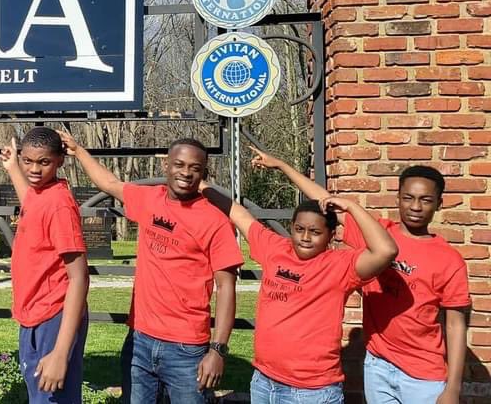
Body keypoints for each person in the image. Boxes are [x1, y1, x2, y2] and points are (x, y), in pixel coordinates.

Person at [250, 148, 471, 404]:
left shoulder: (449, 259)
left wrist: (453, 387)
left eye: (426, 200)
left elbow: (455, 325)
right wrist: (282, 165)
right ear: (397, 198)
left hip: (422, 375)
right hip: (378, 363)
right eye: (408, 197)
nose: (415, 207)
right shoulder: (375, 234)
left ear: (439, 203)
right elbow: (324, 200)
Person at [58, 131, 241, 404]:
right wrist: (79, 150)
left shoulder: (214, 220)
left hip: (187, 348)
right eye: (179, 164)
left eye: (195, 168)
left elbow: (226, 287)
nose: (186, 173)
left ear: (204, 172)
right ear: (166, 165)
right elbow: (109, 183)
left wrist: (216, 350)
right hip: (139, 340)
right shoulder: (149, 199)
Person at [201, 179, 397, 403]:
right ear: (291, 227)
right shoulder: (274, 248)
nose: (305, 237)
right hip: (264, 382)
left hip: (311, 392)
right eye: (299, 229)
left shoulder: (340, 265)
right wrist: (202, 186)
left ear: (331, 235)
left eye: (315, 232)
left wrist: (352, 207)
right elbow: (240, 214)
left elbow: (386, 250)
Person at [0, 127, 89, 403]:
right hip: (34, 315)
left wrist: (61, 352)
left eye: (44, 162)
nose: (34, 169)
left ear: (60, 160)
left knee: (51, 398)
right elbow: (31, 201)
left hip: (54, 317)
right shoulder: (40, 194)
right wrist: (13, 168)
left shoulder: (60, 205)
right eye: (28, 161)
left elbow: (79, 278)